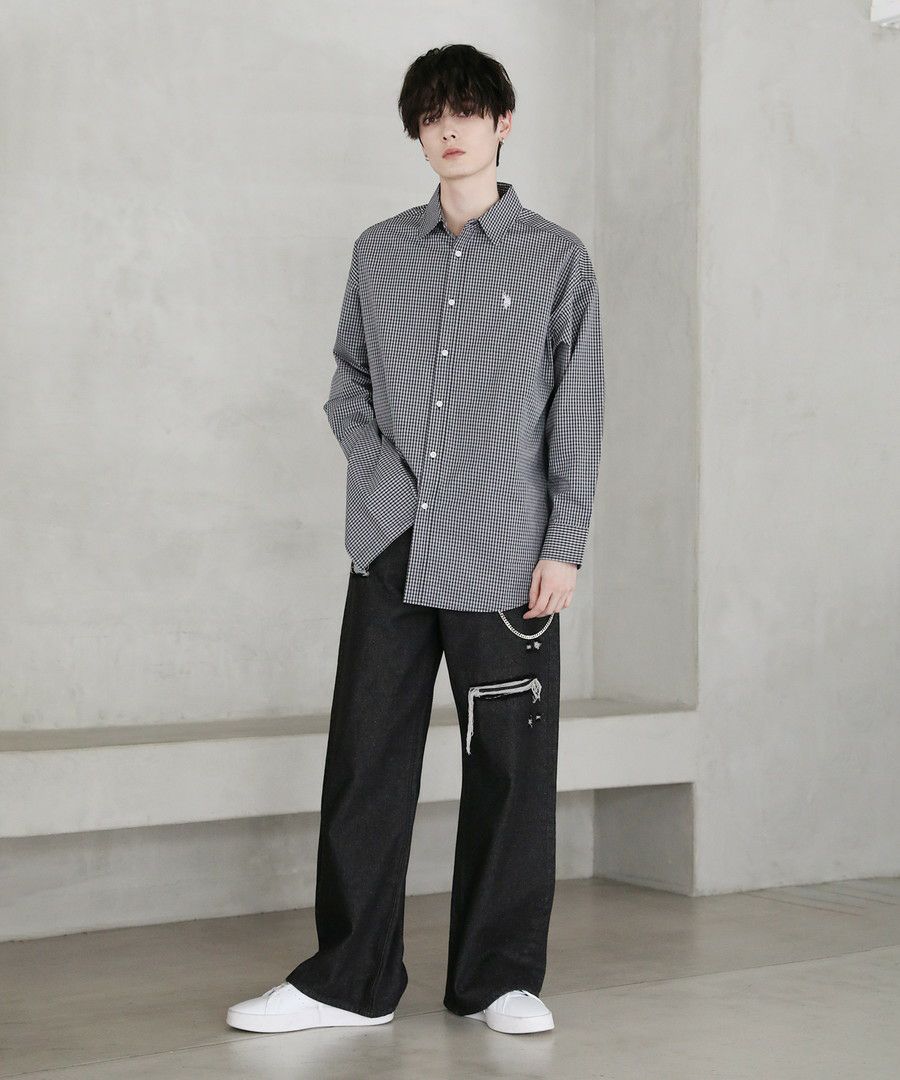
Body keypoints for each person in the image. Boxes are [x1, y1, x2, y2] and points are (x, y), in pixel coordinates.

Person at [227, 42, 604, 1037]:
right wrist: (388, 495)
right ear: (417, 132)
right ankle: (348, 982)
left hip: (508, 557)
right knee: (366, 762)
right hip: (392, 547)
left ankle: (498, 981)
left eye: (467, 112)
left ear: (502, 124)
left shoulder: (557, 260)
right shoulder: (379, 252)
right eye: (432, 115)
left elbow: (576, 411)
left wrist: (564, 543)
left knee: (509, 773)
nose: (449, 129)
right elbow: (346, 387)